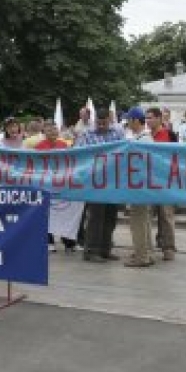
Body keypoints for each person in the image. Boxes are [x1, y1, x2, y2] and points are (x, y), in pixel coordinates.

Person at [75, 108, 124, 263]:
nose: (102, 126)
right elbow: (79, 154)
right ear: (95, 121)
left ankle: (105, 249)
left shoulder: (117, 134)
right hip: (94, 181)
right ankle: (91, 251)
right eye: (99, 123)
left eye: (104, 123)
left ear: (109, 120)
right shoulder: (87, 135)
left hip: (113, 181)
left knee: (110, 216)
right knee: (96, 216)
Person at [36, 122, 79, 252]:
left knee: (65, 213)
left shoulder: (64, 145)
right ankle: (49, 241)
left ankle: (68, 242)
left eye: (55, 130)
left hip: (62, 184)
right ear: (44, 132)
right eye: (50, 130)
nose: (53, 132)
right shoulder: (39, 147)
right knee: (47, 214)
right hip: (46, 184)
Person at [122, 107, 155, 267]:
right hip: (141, 186)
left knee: (138, 222)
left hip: (139, 186)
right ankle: (146, 252)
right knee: (144, 221)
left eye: (129, 119)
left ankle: (142, 256)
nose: (127, 123)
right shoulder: (142, 138)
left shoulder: (143, 140)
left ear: (135, 120)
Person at [146, 107, 177, 260]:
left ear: (159, 119)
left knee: (166, 216)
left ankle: (168, 248)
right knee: (146, 215)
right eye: (146, 118)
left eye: (150, 117)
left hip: (165, 181)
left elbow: (177, 156)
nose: (148, 121)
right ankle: (145, 247)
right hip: (148, 182)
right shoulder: (145, 136)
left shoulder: (170, 134)